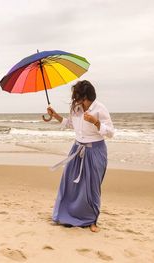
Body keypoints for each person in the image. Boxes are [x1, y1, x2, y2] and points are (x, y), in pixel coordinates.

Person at [47, 80, 114, 232]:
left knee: (92, 187)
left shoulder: (100, 108)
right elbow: (70, 124)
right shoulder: (76, 109)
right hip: (77, 149)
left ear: (85, 97)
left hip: (95, 151)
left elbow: (110, 132)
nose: (73, 98)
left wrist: (96, 122)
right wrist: (55, 115)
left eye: (76, 95)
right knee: (70, 183)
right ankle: (67, 215)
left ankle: (92, 221)